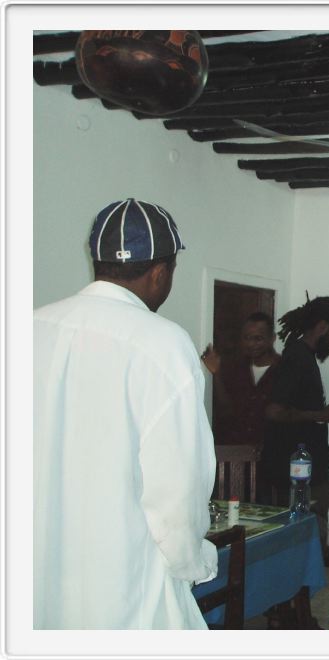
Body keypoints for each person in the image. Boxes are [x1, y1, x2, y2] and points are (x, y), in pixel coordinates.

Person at [34, 198, 217, 629]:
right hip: (125, 582)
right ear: (161, 272)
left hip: (31, 570)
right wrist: (193, 563)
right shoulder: (164, 344)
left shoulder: (28, 328)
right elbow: (177, 486)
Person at [263, 296, 329, 553]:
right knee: (304, 545)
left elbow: (303, 410)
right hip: (297, 474)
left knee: (311, 539)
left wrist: (327, 414)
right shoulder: (296, 358)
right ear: (323, 327)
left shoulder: (305, 357)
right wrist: (322, 415)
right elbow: (274, 411)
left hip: (307, 469)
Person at [201, 312, 281, 447]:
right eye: (247, 338)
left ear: (272, 338)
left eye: (258, 338)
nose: (251, 344)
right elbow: (226, 410)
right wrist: (217, 373)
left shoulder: (285, 370)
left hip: (273, 454)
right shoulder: (236, 369)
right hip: (238, 454)